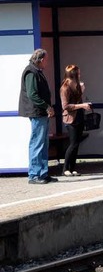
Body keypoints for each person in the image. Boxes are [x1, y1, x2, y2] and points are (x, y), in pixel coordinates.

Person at [18, 49, 58, 184]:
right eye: (46, 59)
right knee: (37, 143)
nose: (47, 62)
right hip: (37, 112)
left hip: (42, 112)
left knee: (44, 143)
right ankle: (34, 175)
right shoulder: (31, 72)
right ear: (41, 60)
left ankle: (43, 173)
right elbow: (32, 94)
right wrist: (46, 106)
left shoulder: (37, 71)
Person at [59, 65, 92, 176]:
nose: (79, 74)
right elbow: (66, 106)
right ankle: (65, 169)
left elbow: (77, 101)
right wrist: (82, 105)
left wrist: (81, 91)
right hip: (70, 119)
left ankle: (72, 168)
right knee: (73, 143)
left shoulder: (77, 85)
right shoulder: (65, 87)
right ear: (73, 74)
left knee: (77, 144)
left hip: (79, 117)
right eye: (78, 73)